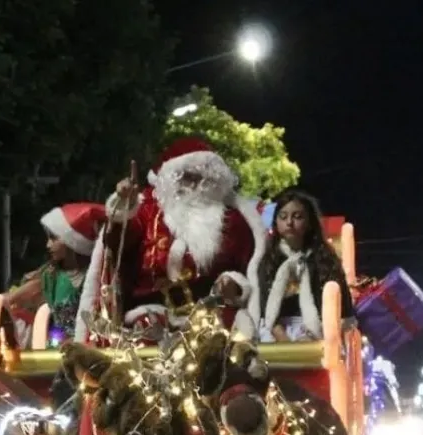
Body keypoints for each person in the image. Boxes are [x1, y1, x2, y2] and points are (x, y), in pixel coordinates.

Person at [78, 137, 265, 341]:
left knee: (233, 332)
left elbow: (245, 270)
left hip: (211, 314)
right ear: (170, 180)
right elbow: (116, 243)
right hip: (151, 314)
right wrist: (125, 206)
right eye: (184, 177)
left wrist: (232, 283)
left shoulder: (233, 221)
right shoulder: (147, 212)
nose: (192, 185)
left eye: (199, 178)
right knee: (144, 332)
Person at [0, 203, 105, 343]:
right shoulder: (50, 276)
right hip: (60, 351)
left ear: (72, 242)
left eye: (53, 239)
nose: (48, 245)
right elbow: (10, 299)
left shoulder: (98, 276)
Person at [249, 189, 355, 342]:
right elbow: (262, 306)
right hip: (274, 331)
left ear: (309, 223)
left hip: (320, 331)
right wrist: (283, 340)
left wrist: (312, 336)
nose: (289, 222)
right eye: (283, 217)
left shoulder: (325, 259)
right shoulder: (268, 260)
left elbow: (342, 308)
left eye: (297, 217)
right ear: (276, 222)